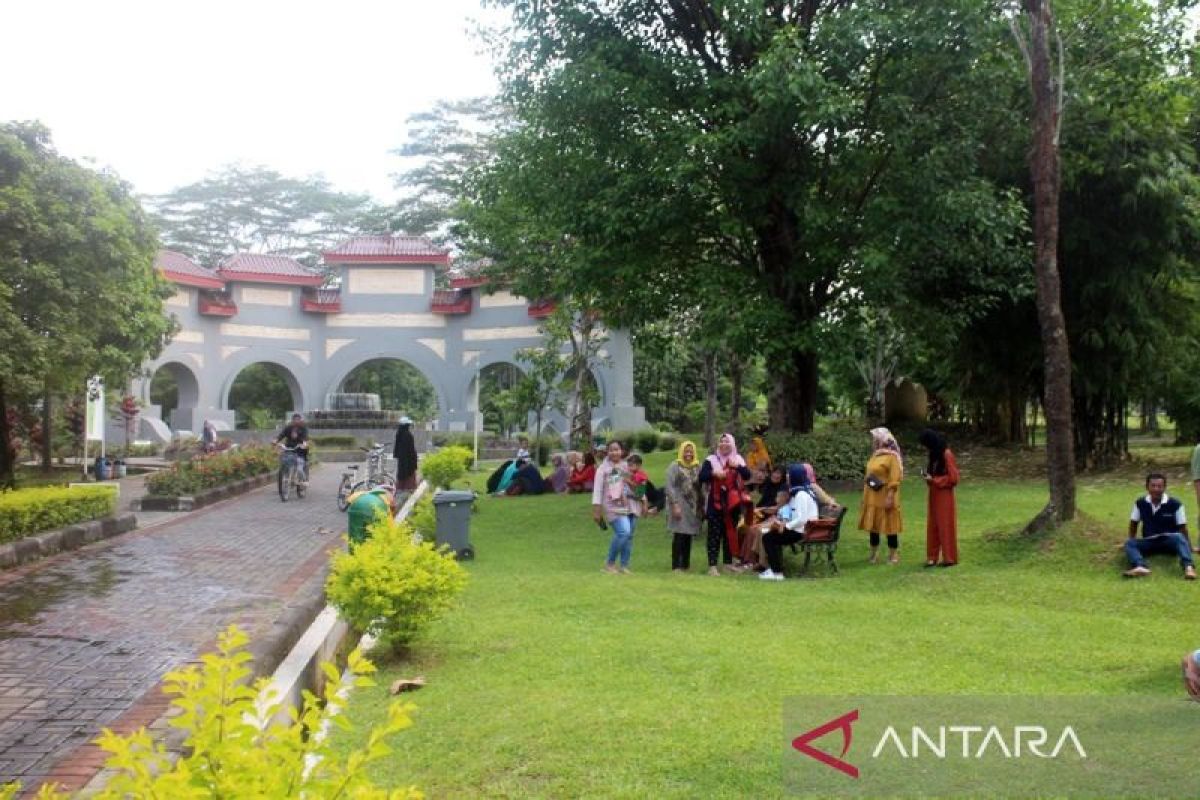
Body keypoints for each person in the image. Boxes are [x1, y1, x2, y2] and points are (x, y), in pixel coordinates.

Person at [1123, 473, 1196, 580]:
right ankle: (1140, 566)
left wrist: (1189, 547)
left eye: (1159, 486)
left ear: (1164, 487)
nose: (1156, 489)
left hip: (1170, 541)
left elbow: (1183, 528)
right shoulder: (1140, 503)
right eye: (1153, 486)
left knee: (1178, 536)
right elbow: (1134, 523)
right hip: (1150, 541)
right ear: (1147, 487)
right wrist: (1132, 540)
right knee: (1129, 543)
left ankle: (1188, 567)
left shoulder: (1175, 504)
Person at [699, 433, 752, 576]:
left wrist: (738, 467)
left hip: (732, 502)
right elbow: (702, 477)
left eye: (727, 442)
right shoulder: (710, 460)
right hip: (715, 502)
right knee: (714, 534)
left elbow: (747, 475)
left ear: (733, 444)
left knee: (730, 532)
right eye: (721, 442)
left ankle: (728, 563)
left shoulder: (738, 459)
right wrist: (713, 473)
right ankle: (712, 566)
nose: (724, 444)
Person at [759, 463, 823, 581]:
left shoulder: (801, 494)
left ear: (795, 477)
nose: (787, 476)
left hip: (802, 531)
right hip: (801, 528)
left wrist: (785, 525)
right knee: (768, 533)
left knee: (768, 538)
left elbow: (802, 519)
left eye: (790, 474)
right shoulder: (801, 491)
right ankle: (774, 568)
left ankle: (777, 572)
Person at [593, 440, 640, 574]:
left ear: (622, 451)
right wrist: (596, 510)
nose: (614, 452)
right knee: (623, 531)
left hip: (629, 504)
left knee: (629, 535)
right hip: (612, 505)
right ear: (607, 452)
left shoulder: (626, 466)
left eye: (617, 449)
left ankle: (624, 565)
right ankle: (609, 563)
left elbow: (636, 484)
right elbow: (598, 490)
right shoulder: (603, 469)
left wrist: (643, 500)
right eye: (612, 450)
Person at [859, 426, 903, 564]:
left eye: (875, 438)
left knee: (890, 526)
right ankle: (873, 553)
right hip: (872, 496)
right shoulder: (875, 455)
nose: (873, 441)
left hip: (885, 495)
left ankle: (893, 554)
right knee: (873, 526)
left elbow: (894, 478)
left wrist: (890, 496)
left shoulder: (892, 457)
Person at [919, 428, 960, 568]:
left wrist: (935, 480)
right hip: (934, 493)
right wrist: (928, 478)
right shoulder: (934, 455)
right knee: (933, 525)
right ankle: (932, 557)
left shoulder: (946, 454)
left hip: (944, 495)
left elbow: (954, 478)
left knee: (945, 524)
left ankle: (949, 557)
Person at [665, 440, 703, 571]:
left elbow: (702, 486)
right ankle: (676, 566)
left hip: (693, 505)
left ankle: (685, 565)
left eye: (691, 452)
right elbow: (669, 486)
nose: (688, 454)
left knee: (689, 535)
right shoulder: (675, 466)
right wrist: (674, 505)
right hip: (679, 503)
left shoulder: (698, 467)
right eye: (686, 451)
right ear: (681, 452)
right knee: (679, 534)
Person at [274, 413, 309, 484]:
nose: (296, 421)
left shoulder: (303, 428)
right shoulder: (288, 428)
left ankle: (304, 480)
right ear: (292, 420)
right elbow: (282, 435)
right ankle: (287, 477)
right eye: (294, 420)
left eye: (298, 420)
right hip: (289, 449)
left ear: (300, 420)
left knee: (299, 469)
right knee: (285, 462)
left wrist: (303, 442)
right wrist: (276, 440)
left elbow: (305, 439)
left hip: (300, 450)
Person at [392, 415, 418, 492]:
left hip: (402, 461)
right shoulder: (408, 435)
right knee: (409, 478)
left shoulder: (399, 434)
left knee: (401, 477)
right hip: (409, 461)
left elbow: (396, 450)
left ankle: (401, 490)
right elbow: (411, 450)